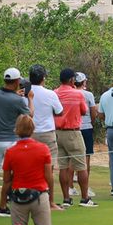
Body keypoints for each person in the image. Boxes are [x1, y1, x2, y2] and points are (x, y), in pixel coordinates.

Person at [1, 115, 57, 225]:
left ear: (17, 130)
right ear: (33, 129)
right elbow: (49, 176)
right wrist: (51, 199)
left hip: (18, 197)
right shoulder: (43, 149)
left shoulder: (10, 152)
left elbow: (6, 180)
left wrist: (3, 201)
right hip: (39, 195)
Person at [0, 67, 30, 217]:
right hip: (10, 141)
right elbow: (29, 115)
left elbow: (5, 98)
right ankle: (2, 206)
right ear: (17, 81)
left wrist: (15, 95)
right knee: (9, 175)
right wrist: (30, 98)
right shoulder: (18, 100)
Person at [53, 68, 93, 208]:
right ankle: (85, 198)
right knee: (81, 166)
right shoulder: (77, 94)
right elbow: (83, 111)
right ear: (71, 80)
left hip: (57, 133)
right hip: (73, 132)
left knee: (63, 166)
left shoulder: (54, 93)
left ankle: (66, 199)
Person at [26, 65, 63, 200]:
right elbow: (59, 111)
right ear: (43, 78)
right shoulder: (50, 93)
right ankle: (48, 199)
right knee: (49, 168)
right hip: (47, 133)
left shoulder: (25, 93)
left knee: (31, 166)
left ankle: (32, 196)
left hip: (30, 133)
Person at [75, 72, 97, 194]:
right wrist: (91, 122)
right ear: (83, 82)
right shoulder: (88, 95)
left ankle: (70, 188)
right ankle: (85, 188)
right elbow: (93, 112)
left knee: (72, 158)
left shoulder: (69, 93)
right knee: (86, 157)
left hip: (73, 128)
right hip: (86, 127)